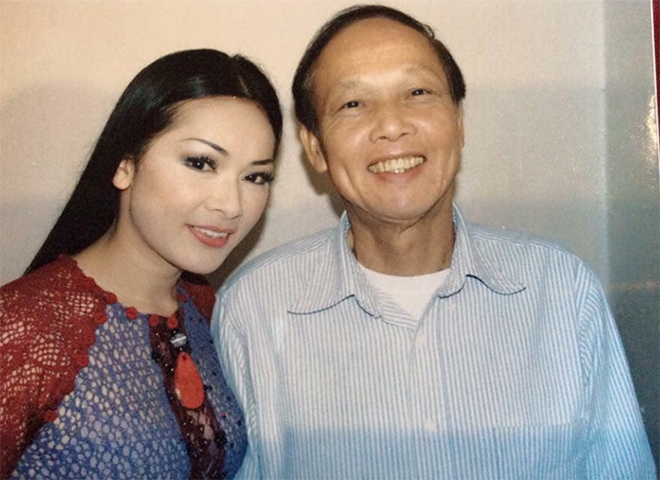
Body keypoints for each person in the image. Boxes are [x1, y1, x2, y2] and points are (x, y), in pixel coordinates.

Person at [212, 5, 656, 479]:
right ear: (315, 147)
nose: (392, 125)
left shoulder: (561, 290)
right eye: (353, 104)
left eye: (418, 93)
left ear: (459, 122)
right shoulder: (254, 310)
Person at [0, 48, 282, 480]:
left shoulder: (208, 308)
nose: (232, 205)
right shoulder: (20, 327)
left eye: (255, 176)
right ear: (125, 164)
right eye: (201, 163)